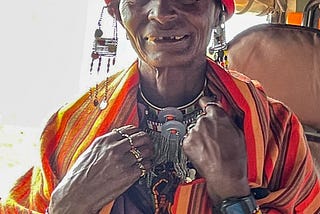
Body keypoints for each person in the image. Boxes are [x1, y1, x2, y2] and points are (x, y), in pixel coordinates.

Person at [1, 0, 319, 213]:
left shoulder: (277, 129)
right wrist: (67, 205)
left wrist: (234, 195)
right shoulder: (69, 127)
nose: (161, 12)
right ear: (116, 13)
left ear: (219, 12)